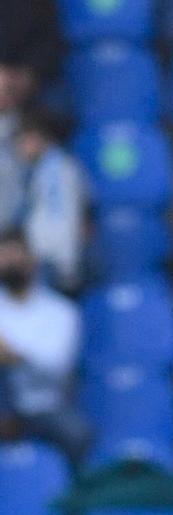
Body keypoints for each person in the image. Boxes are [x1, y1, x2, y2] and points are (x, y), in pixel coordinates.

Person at [0, 228, 85, 459]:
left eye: (16, 257)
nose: (11, 265)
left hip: (43, 406)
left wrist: (15, 356)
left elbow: (57, 369)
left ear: (32, 260)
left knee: (77, 436)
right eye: (5, 259)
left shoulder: (60, 312)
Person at [5, 109, 83, 293]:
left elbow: (60, 220)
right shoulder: (40, 170)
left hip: (52, 260)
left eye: (21, 140)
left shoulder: (57, 171)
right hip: (45, 259)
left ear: (38, 138)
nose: (18, 147)